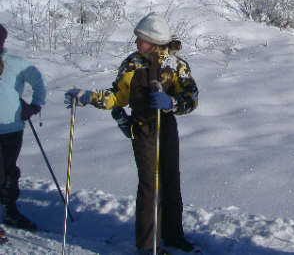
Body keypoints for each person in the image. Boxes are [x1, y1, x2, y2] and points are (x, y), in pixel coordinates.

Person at [64, 13, 198, 255]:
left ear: (155, 41)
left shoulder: (176, 65)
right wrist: (90, 97)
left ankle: (173, 235)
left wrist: (172, 103)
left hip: (166, 128)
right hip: (142, 129)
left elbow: (191, 98)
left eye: (141, 39)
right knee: (150, 184)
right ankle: (148, 245)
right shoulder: (132, 64)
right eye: (137, 38)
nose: (137, 42)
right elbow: (118, 96)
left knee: (171, 180)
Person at [0, 23, 46, 233]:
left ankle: (10, 210)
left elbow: (38, 81)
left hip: (12, 128)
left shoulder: (16, 64)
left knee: (9, 172)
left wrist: (35, 105)